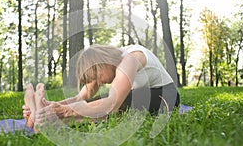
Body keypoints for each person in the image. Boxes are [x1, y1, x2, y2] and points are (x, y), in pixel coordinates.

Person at [22, 44, 180, 130]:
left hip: (165, 96)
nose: (97, 82)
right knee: (97, 102)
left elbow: (112, 104)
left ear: (102, 63)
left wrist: (64, 111)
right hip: (138, 95)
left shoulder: (130, 59)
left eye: (96, 77)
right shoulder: (105, 68)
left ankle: (50, 120)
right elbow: (79, 98)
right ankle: (42, 118)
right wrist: (50, 106)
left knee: (117, 103)